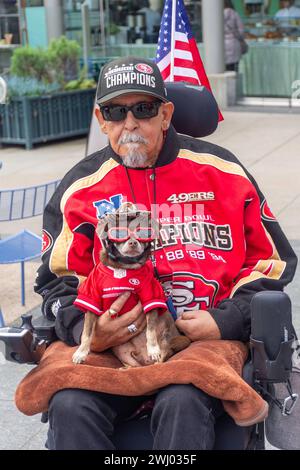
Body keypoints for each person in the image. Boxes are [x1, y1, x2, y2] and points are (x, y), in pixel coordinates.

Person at [34, 55, 297, 450]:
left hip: (200, 345)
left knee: (183, 399)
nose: (130, 123)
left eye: (143, 108)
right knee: (70, 404)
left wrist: (225, 320)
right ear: (101, 119)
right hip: (110, 347)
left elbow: (273, 263)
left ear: (166, 114)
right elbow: (58, 280)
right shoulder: (81, 188)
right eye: (115, 112)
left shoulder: (222, 172)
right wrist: (86, 330)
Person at [224, 0, 246, 72]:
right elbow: (241, 32)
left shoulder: (217, 15)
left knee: (224, 69)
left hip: (222, 45)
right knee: (234, 69)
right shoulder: (234, 14)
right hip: (234, 44)